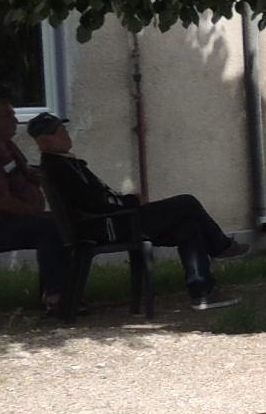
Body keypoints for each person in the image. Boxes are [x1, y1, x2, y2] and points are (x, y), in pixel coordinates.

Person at [25, 113, 240, 310]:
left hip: (111, 221)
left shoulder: (63, 164)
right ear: (45, 140)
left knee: (189, 227)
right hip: (110, 225)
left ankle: (202, 292)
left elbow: (95, 198)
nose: (66, 134)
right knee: (187, 202)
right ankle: (220, 246)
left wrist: (127, 201)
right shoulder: (60, 167)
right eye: (59, 132)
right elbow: (94, 203)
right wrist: (130, 201)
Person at [0, 98, 65, 315]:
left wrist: (56, 172)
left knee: (63, 221)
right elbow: (2, 202)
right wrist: (37, 213)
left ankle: (67, 290)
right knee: (51, 227)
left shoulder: (6, 145)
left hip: (17, 219)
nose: (15, 120)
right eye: (9, 115)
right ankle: (55, 297)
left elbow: (28, 173)